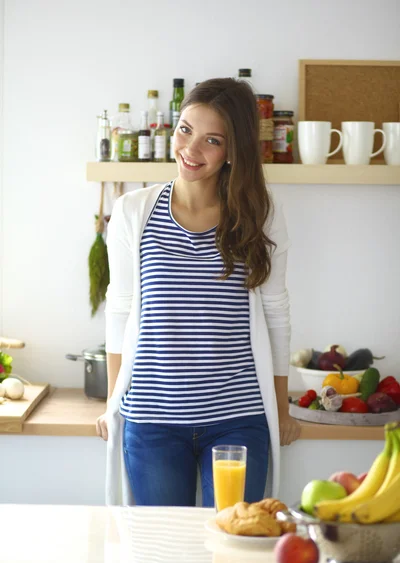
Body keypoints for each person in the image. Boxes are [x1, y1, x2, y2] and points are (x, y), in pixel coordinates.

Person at [96, 78, 301, 507]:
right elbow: (120, 309)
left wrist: (280, 411)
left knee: (233, 555)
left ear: (233, 151)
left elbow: (277, 314)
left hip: (238, 419)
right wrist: (113, 402)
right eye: (185, 130)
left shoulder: (261, 216)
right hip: (152, 419)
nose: (191, 149)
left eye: (212, 140)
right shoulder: (134, 212)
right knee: (163, 560)